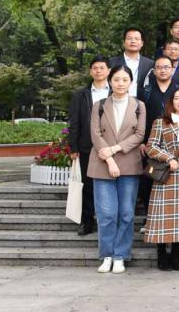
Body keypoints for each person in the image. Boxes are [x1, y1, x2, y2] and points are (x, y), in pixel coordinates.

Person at [89, 65, 146, 274]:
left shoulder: (139, 105)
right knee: (106, 214)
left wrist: (114, 149)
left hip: (129, 164)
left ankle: (120, 255)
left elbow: (139, 135)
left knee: (126, 214)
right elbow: (95, 134)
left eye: (124, 80)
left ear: (131, 82)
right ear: (110, 81)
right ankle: (106, 255)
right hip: (102, 164)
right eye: (116, 79)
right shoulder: (100, 105)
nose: (120, 83)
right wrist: (110, 159)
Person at [144, 86, 179, 271]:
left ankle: (176, 255)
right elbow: (150, 147)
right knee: (163, 217)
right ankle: (161, 255)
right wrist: (168, 158)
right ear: (171, 102)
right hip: (167, 175)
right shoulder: (162, 122)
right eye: (177, 98)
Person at [68, 55, 109, 236]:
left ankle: (107, 220)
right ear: (90, 71)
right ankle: (87, 221)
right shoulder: (81, 95)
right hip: (87, 146)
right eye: (95, 68)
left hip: (110, 146)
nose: (98, 71)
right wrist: (74, 147)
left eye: (102, 67)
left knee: (108, 183)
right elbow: (74, 122)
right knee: (87, 184)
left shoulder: (115, 92)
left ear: (108, 71)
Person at [110, 27, 154, 94]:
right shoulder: (112, 62)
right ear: (124, 42)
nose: (133, 41)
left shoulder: (150, 64)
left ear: (142, 43)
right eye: (129, 38)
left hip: (142, 99)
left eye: (137, 39)